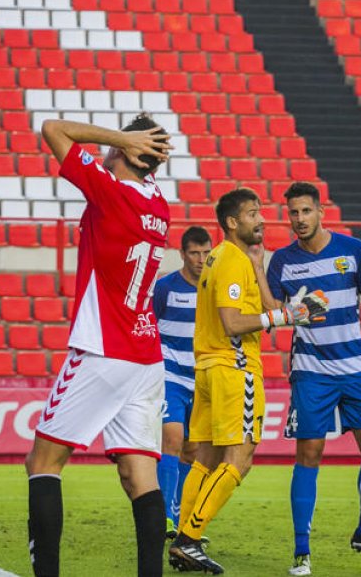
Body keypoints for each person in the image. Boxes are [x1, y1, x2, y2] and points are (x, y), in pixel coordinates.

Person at [25, 114, 172, 577]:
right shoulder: (160, 206)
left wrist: (121, 138)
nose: (106, 151)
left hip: (103, 349)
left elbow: (52, 129)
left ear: (129, 151)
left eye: (118, 145)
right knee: (138, 476)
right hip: (147, 356)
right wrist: (132, 146)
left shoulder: (111, 194)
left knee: (43, 462)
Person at [168, 188, 329, 574]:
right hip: (234, 369)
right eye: (253, 214)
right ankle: (190, 539)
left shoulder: (228, 258)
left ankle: (182, 541)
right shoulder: (230, 261)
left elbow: (266, 308)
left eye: (261, 213)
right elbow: (234, 322)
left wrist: (263, 272)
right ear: (232, 222)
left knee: (204, 459)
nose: (262, 220)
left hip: (209, 368)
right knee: (240, 459)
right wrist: (287, 318)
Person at [266, 182, 361, 575]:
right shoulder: (282, 262)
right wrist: (286, 306)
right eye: (293, 213)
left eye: (306, 211)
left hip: (356, 367)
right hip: (311, 370)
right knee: (309, 455)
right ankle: (302, 553)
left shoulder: (353, 250)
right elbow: (272, 312)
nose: (300, 219)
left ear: (321, 211)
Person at [153, 225, 213, 538]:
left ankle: (182, 516)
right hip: (170, 375)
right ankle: (164, 517)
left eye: (206, 253)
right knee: (172, 439)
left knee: (191, 450)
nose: (201, 259)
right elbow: (149, 328)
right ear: (183, 254)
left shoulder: (215, 289)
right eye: (194, 253)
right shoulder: (165, 288)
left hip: (202, 379)